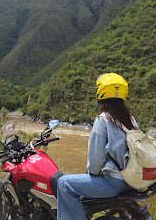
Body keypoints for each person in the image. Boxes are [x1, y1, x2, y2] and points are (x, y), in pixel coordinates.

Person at [57, 73, 140, 220]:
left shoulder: (103, 120)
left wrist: (91, 174)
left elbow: (95, 163)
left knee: (63, 183)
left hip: (114, 182)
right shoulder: (130, 119)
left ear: (100, 94)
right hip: (132, 180)